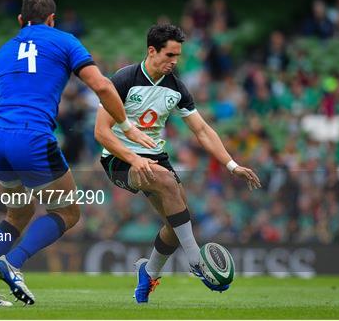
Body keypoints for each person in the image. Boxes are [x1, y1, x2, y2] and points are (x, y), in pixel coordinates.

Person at [0, 0, 154, 307]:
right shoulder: (64, 41)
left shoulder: (2, 52)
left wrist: (3, 139)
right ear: (52, 19)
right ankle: (12, 263)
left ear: (20, 20)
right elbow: (103, 85)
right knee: (67, 212)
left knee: (19, 212)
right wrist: (126, 126)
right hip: (32, 136)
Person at [94, 24, 261, 303]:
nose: (174, 61)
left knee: (175, 223)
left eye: (178, 56)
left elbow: (203, 131)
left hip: (156, 158)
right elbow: (101, 132)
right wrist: (133, 158)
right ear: (151, 50)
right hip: (120, 158)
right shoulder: (123, 80)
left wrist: (232, 165)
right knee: (168, 183)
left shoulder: (177, 88)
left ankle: (148, 273)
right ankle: (197, 262)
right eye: (170, 55)